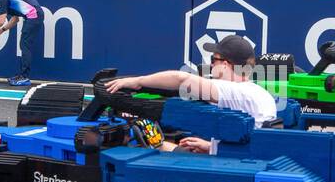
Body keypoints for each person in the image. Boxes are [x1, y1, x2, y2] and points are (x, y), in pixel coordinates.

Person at [105, 34, 278, 154]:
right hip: (245, 155)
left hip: (238, 162)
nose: (211, 66)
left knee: (153, 144)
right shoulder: (259, 93)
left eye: (213, 60)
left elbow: (181, 80)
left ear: (225, 64)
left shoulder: (236, 91)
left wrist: (137, 82)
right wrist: (212, 146)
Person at [0, 0, 44, 87]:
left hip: (34, 16)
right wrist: (2, 30)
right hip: (33, 16)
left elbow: (1, 21)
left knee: (24, 45)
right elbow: (15, 19)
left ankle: (24, 77)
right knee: (24, 45)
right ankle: (22, 76)